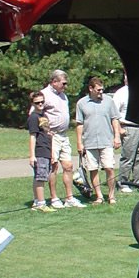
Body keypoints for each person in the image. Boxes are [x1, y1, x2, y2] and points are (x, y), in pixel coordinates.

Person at [40, 70, 84, 209]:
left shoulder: (63, 96)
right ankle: (54, 198)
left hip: (63, 135)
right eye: (63, 83)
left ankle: (69, 197)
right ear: (54, 81)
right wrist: (47, 131)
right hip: (51, 136)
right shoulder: (44, 95)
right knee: (53, 166)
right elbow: (37, 115)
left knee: (68, 166)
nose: (65, 86)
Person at [75, 77, 122, 205]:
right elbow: (79, 124)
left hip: (106, 140)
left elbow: (115, 119)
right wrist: (79, 142)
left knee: (109, 168)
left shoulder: (108, 101)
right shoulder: (81, 103)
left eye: (102, 89)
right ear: (91, 89)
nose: (101, 92)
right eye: (98, 90)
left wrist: (117, 136)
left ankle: (112, 196)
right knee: (93, 169)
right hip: (89, 142)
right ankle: (99, 196)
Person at [112, 76, 139, 192]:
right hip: (128, 127)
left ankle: (138, 183)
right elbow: (114, 114)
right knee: (128, 157)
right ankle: (123, 183)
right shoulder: (121, 93)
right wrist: (119, 130)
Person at [27, 91, 55, 212]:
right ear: (33, 104)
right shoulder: (33, 117)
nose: (40, 104)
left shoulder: (43, 115)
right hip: (40, 150)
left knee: (40, 176)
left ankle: (37, 200)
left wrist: (49, 134)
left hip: (47, 148)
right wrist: (32, 155)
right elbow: (32, 136)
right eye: (37, 103)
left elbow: (45, 131)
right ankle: (41, 203)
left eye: (42, 102)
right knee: (41, 177)